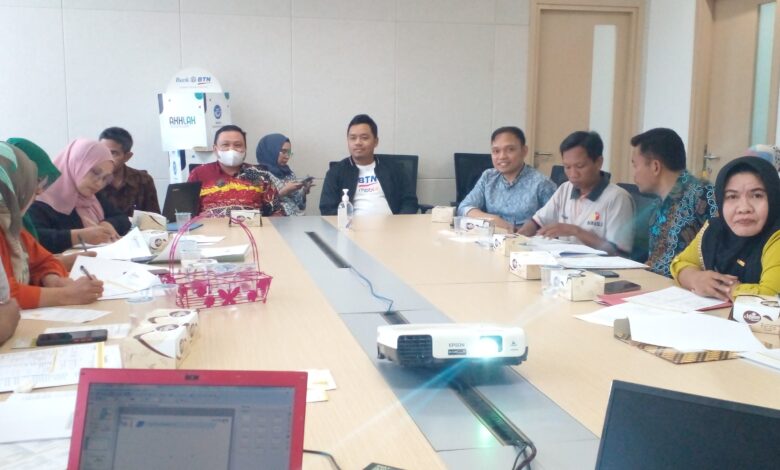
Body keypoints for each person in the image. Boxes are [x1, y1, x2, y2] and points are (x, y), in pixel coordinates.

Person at [0, 143, 104, 309]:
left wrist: (51, 279)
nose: (39, 192)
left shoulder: (12, 224)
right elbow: (3, 294)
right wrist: (66, 295)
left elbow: (43, 260)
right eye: (30, 182)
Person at [671, 156, 780, 300]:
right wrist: (696, 278)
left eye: (757, 195)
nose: (744, 208)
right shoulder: (716, 229)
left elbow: (770, 297)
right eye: (732, 197)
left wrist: (723, 287)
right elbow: (679, 263)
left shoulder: (776, 237)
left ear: (774, 198)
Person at [517, 131, 635, 255]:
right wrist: (518, 237)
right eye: (567, 167)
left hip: (598, 266)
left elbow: (619, 253)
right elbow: (537, 222)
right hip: (563, 262)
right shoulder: (565, 189)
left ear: (598, 162)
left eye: (580, 166)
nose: (573, 174)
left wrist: (575, 231)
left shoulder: (618, 198)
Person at [630, 128, 717, 277]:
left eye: (635, 165)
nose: (634, 173)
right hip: (653, 282)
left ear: (655, 167)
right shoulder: (657, 204)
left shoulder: (703, 194)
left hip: (687, 286)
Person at [6, 137, 96, 270]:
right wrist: (60, 263)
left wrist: (52, 269)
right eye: (35, 181)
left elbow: (33, 258)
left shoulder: (19, 216)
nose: (39, 192)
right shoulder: (21, 213)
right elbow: (13, 275)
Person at [28, 139, 131, 254]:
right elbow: (33, 238)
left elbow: (122, 218)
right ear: (75, 163)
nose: (99, 184)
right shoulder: (39, 198)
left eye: (104, 178)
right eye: (95, 173)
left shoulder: (91, 197)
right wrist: (79, 236)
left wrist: (108, 224)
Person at [457, 126, 555, 231]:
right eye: (496, 151)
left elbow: (555, 223)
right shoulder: (488, 177)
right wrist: (493, 219)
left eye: (510, 150)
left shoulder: (542, 183)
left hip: (525, 239)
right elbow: (464, 207)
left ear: (524, 151)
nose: (502, 156)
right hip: (491, 238)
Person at [320, 114, 418, 216]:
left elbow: (410, 202)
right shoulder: (336, 172)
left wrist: (400, 221)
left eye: (364, 138)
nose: (358, 142)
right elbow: (327, 209)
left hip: (392, 224)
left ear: (376, 141)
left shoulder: (394, 168)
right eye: (353, 138)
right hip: (353, 225)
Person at [188, 125, 285, 217]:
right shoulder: (199, 174)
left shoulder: (261, 174)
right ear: (215, 149)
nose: (232, 149)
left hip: (251, 227)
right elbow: (187, 214)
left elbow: (277, 212)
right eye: (225, 145)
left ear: (245, 148)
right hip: (211, 228)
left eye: (238, 145)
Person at [97, 127, 160, 216]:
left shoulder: (143, 180)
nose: (106, 158)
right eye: (103, 152)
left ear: (127, 156)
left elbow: (154, 219)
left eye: (113, 153)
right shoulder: (93, 181)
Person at [256, 133, 313, 216]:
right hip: (275, 221)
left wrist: (304, 191)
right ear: (270, 151)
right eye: (283, 152)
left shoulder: (289, 174)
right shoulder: (260, 175)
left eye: (289, 153)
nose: (287, 156)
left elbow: (300, 206)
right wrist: (283, 192)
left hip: (296, 219)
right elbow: (262, 208)